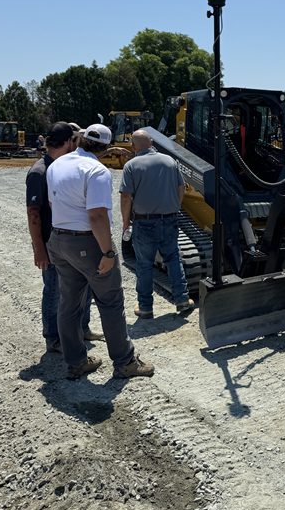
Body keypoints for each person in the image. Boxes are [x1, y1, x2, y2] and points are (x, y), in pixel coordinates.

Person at [46, 123, 154, 380]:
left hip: (59, 239)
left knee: (69, 303)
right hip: (88, 243)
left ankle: (76, 362)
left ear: (81, 139)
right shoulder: (97, 172)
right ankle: (125, 362)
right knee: (111, 301)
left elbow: (53, 202)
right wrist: (107, 253)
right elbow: (96, 216)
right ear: (106, 147)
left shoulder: (57, 164)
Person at [26, 122, 102, 354]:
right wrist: (39, 248)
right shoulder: (39, 171)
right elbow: (33, 213)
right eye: (76, 141)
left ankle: (82, 328)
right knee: (54, 290)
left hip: (73, 241)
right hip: (51, 243)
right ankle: (53, 337)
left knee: (84, 287)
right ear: (68, 142)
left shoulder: (61, 166)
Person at [119, 129, 193, 318]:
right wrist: (175, 207)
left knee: (144, 264)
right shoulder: (169, 161)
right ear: (151, 143)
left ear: (134, 146)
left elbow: (126, 197)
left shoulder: (131, 165)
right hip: (169, 220)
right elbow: (181, 188)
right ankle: (182, 299)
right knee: (173, 259)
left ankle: (145, 307)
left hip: (144, 223)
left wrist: (126, 222)